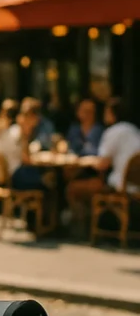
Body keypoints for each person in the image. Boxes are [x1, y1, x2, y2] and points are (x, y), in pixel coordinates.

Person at [66, 98, 140, 235]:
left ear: (112, 113)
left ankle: (83, 228)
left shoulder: (112, 132)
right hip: (136, 184)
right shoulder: (134, 130)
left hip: (121, 184)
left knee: (73, 188)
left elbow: (102, 165)